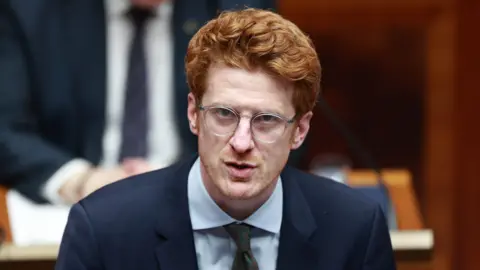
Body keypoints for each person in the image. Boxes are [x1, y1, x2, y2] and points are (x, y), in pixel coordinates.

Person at [55, 8, 396, 270]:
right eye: (223, 114)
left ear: (300, 130)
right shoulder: (103, 229)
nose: (242, 142)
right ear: (193, 114)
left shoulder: (355, 230)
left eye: (266, 120)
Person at [0, 0, 276, 205]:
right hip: (72, 205)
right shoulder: (31, 10)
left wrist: (197, 180)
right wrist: (80, 180)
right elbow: (6, 130)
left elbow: (278, 123)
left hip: (200, 201)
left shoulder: (239, 11)